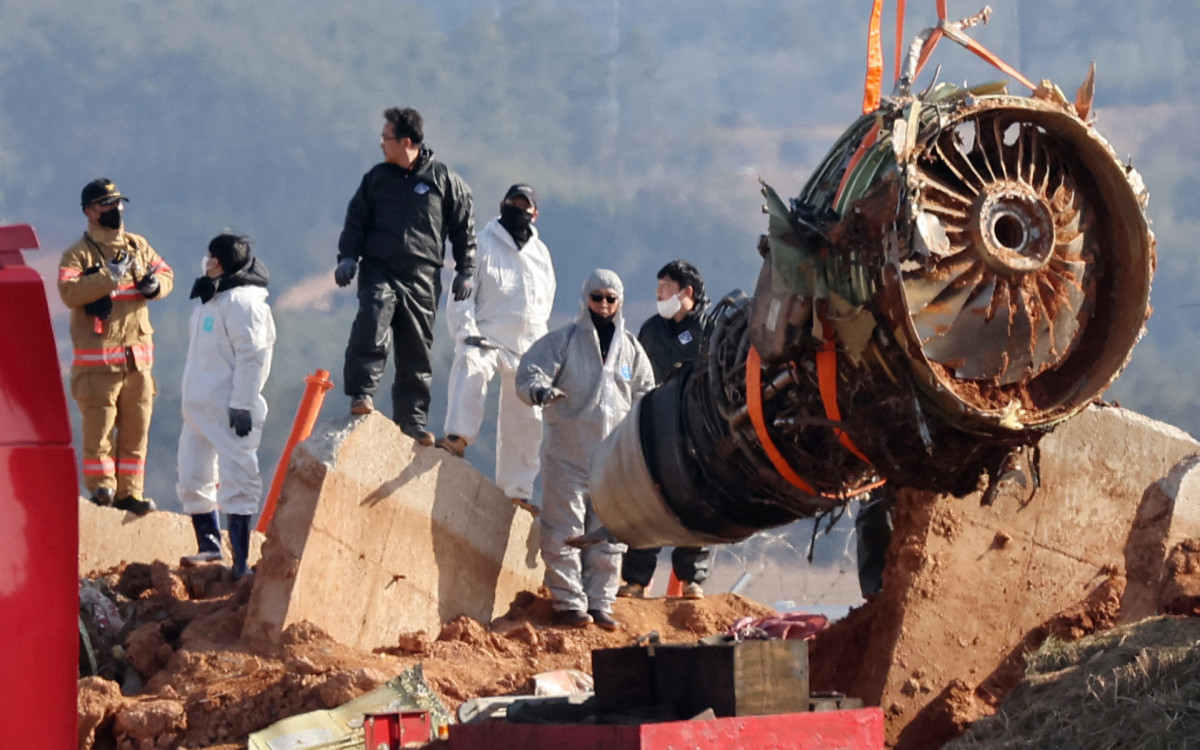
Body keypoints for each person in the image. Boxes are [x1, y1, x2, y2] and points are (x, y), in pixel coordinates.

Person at [517, 269, 655, 630]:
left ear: (620, 302)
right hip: (569, 454)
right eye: (597, 297)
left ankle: (600, 602)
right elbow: (531, 371)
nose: (604, 305)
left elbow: (645, 393)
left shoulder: (631, 350)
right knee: (564, 528)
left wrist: (642, 437)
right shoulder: (563, 341)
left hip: (613, 461)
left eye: (611, 299)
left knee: (609, 533)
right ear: (585, 298)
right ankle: (568, 602)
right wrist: (540, 392)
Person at [334, 106, 477, 445]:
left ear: (406, 142)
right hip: (379, 268)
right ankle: (362, 394)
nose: (381, 144)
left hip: (422, 275)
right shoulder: (376, 179)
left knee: (416, 348)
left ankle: (411, 421)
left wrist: (466, 269)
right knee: (371, 321)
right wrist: (347, 257)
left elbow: (463, 227)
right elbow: (355, 222)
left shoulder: (443, 180)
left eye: (386, 138)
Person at [57, 178, 174, 514]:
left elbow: (166, 275)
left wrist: (153, 285)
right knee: (99, 432)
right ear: (90, 212)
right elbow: (69, 293)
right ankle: (102, 489)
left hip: (138, 362)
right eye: (107, 204)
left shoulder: (138, 246)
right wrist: (107, 277)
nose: (116, 209)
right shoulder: (77, 254)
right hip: (99, 366)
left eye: (118, 203)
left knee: (136, 432)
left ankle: (130, 493)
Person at [438, 184, 556, 510]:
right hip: (486, 337)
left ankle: (517, 490)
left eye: (524, 206)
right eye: (513, 203)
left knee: (527, 414)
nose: (518, 209)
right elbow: (461, 295)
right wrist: (466, 331)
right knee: (470, 366)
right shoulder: (480, 244)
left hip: (526, 346)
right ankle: (457, 438)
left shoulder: (541, 255)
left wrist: (541, 351)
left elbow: (543, 305)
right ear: (502, 204)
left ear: (534, 214)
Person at [177, 234, 276, 579]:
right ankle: (209, 545)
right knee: (193, 475)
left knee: (238, 477)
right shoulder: (213, 299)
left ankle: (240, 561)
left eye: (210, 256)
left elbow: (252, 356)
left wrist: (242, 404)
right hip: (199, 407)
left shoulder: (243, 303)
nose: (205, 261)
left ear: (218, 261)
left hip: (229, 407)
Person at [619, 260, 714, 600]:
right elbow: (632, 371)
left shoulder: (710, 329)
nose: (659, 293)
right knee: (648, 502)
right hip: (656, 426)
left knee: (697, 503)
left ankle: (691, 581)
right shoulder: (651, 329)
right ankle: (636, 580)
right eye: (658, 286)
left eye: (666, 287)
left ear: (687, 291)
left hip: (698, 431)